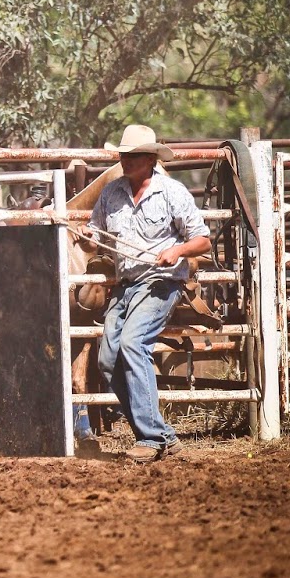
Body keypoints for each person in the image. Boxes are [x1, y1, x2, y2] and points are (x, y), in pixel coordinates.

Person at [86, 124, 211, 463]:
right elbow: (93, 232)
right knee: (107, 359)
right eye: (123, 155)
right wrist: (82, 233)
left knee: (132, 343)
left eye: (132, 155)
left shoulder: (172, 192)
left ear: (150, 158)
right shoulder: (111, 194)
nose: (125, 160)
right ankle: (162, 435)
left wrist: (179, 251)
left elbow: (203, 239)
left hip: (160, 282)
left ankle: (150, 438)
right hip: (126, 286)